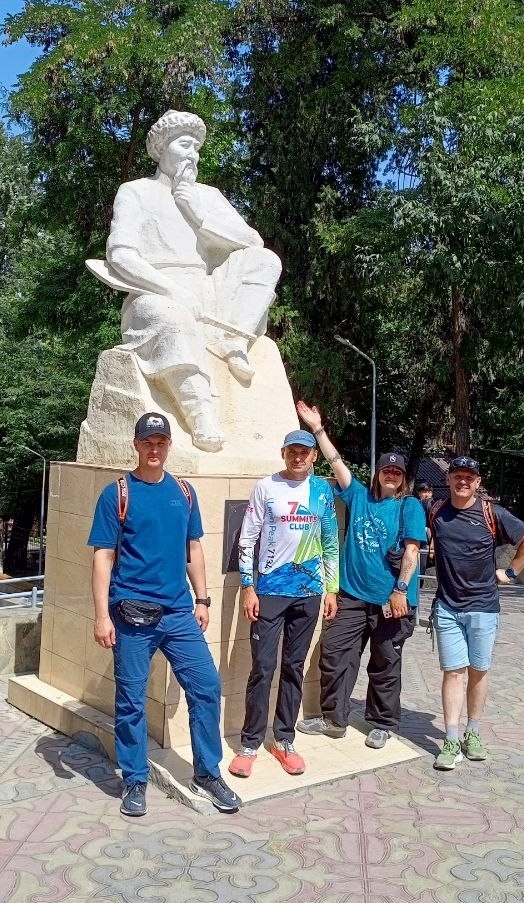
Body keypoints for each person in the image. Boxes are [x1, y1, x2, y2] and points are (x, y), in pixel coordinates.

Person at [87, 110, 282, 451]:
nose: (192, 154)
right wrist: (172, 290)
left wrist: (196, 211)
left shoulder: (208, 196)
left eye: (196, 148)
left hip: (209, 289)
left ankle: (233, 340)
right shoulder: (136, 192)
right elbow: (121, 255)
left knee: (266, 261)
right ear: (161, 149)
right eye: (184, 145)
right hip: (154, 292)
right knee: (172, 318)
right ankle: (201, 413)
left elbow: (252, 242)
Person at [88, 411, 241, 818]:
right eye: (147, 442)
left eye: (160, 442)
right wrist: (102, 615)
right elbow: (103, 556)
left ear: (169, 445)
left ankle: (207, 773)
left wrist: (203, 599)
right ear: (136, 445)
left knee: (206, 687)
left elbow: (194, 549)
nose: (154, 449)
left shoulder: (184, 492)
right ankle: (134, 779)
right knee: (132, 700)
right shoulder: (117, 494)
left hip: (178, 613)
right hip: (131, 613)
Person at [294, 402, 425, 749]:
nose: (391, 475)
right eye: (386, 470)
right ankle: (334, 719)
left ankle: (381, 723)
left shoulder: (409, 506)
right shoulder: (360, 497)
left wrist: (400, 590)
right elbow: (336, 463)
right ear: (378, 473)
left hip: (392, 600)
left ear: (403, 478)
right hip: (353, 596)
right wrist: (317, 429)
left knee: (385, 663)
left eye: (397, 472)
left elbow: (412, 552)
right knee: (335, 654)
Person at [231, 429, 340, 778]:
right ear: (283, 453)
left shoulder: (321, 490)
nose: (298, 457)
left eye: (304, 452)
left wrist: (332, 589)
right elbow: (247, 539)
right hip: (270, 591)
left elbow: (330, 542)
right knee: (263, 668)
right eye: (292, 451)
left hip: (309, 593)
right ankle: (250, 743)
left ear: (313, 457)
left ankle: (284, 740)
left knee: (293, 668)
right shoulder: (266, 487)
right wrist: (248, 587)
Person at [427, 456, 524, 771]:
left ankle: (472, 733)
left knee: (478, 671)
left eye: (469, 477)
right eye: (457, 476)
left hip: (483, 607)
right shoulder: (436, 511)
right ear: (448, 479)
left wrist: (510, 572)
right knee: (453, 672)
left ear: (477, 482)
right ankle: (451, 740)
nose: (462, 481)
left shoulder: (492, 513)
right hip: (448, 607)